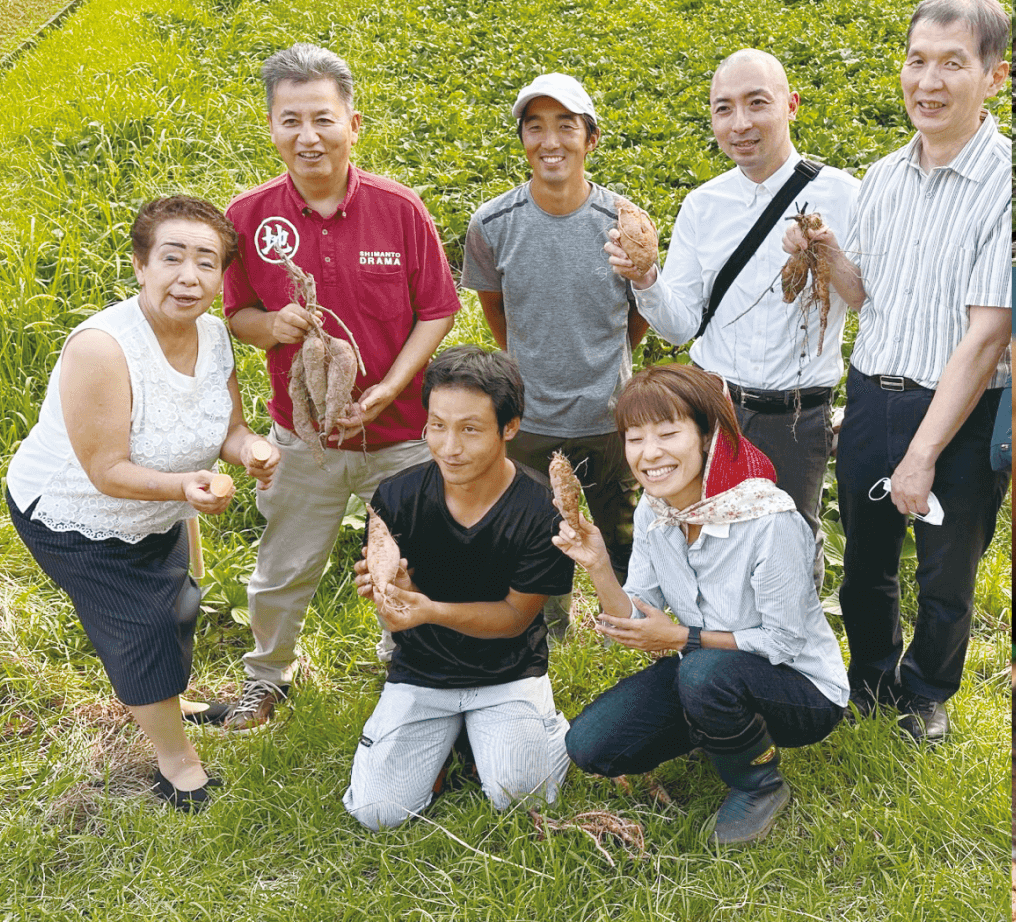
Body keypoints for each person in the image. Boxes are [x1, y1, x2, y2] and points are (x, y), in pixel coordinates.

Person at [197, 43, 461, 731]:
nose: (307, 136)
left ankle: (405, 662)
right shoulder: (248, 216)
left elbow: (438, 309)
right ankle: (268, 676)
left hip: (400, 433)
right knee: (283, 567)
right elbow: (236, 315)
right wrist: (272, 323)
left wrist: (388, 388)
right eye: (291, 120)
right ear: (271, 127)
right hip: (302, 436)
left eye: (322, 118)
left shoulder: (400, 210)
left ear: (354, 124)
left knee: (411, 560)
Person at [783, 0, 1012, 744]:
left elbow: (985, 337)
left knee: (945, 575)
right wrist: (826, 253)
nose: (930, 81)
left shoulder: (1007, 183)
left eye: (953, 63)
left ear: (995, 76)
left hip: (960, 408)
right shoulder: (881, 176)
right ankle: (873, 677)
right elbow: (864, 294)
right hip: (874, 394)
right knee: (867, 564)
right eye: (918, 61)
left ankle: (926, 695)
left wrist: (922, 455)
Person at [4, 195, 279, 811]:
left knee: (178, 604)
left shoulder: (213, 333)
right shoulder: (102, 347)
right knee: (143, 628)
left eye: (206, 262)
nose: (190, 277)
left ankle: (168, 697)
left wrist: (252, 448)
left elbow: (227, 430)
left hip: (156, 506)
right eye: (172, 257)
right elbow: (106, 471)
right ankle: (177, 765)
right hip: (76, 516)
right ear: (140, 264)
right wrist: (186, 487)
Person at [559, 364, 847, 846]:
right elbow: (638, 615)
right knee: (590, 746)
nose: (649, 454)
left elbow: (783, 641)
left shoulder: (769, 522)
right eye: (634, 438)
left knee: (702, 672)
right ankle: (718, 726)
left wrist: (682, 639)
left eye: (668, 433)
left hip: (801, 689)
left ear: (708, 437)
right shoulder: (656, 508)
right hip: (710, 671)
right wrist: (599, 566)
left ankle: (758, 783)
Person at [608, 50, 858, 587]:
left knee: (790, 538)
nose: (740, 123)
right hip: (713, 404)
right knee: (711, 533)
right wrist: (646, 278)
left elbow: (874, 304)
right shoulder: (704, 205)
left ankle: (785, 659)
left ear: (790, 105)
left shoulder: (846, 195)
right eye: (724, 109)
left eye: (756, 103)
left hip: (798, 413)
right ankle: (714, 648)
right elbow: (678, 326)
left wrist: (828, 256)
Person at [342, 345, 575, 829]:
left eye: (470, 429)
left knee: (522, 799)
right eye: (437, 425)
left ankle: (535, 726)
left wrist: (429, 609)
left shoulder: (541, 510)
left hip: (508, 674)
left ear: (509, 428)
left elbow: (515, 618)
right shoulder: (396, 497)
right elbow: (395, 615)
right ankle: (451, 745)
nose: (449, 447)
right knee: (376, 813)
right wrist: (396, 594)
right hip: (422, 673)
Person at [463, 74, 648, 636]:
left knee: (623, 528)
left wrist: (606, 361)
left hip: (609, 414)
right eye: (535, 127)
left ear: (590, 139)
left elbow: (641, 309)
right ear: (521, 139)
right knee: (539, 528)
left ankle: (634, 618)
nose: (551, 142)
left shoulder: (625, 222)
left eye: (566, 127)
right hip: (531, 419)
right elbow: (498, 311)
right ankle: (549, 623)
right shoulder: (492, 225)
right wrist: (529, 363)